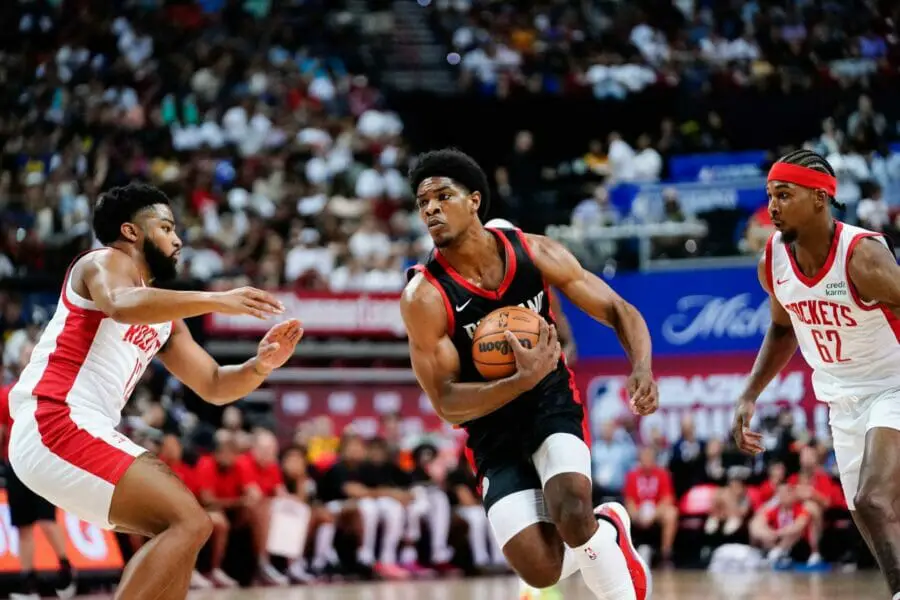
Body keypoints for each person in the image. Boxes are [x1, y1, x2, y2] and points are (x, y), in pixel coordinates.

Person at [6, 183, 303, 600]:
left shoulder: (165, 317)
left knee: (183, 530)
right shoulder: (103, 262)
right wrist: (216, 299)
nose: (178, 239)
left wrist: (260, 365)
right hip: (55, 418)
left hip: (80, 430)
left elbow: (215, 385)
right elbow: (121, 305)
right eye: (166, 227)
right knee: (190, 520)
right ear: (131, 232)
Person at [401, 149, 658, 600]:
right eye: (424, 203)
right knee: (542, 572)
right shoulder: (423, 296)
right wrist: (515, 381)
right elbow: (444, 402)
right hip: (489, 425)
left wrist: (641, 366)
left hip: (548, 400)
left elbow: (617, 308)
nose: (431, 209)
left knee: (573, 512)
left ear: (475, 200)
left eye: (443, 196)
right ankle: (610, 529)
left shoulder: (532, 251)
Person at [732, 149, 900, 596]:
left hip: (893, 384)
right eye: (769, 195)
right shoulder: (772, 259)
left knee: (873, 498)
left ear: (820, 199)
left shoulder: (861, 256)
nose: (772, 206)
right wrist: (750, 394)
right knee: (866, 509)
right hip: (840, 397)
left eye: (784, 194)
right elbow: (783, 328)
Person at [1, 341, 76, 600]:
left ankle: (66, 569)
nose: (28, 357)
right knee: (23, 527)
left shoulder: (50, 390)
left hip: (43, 464)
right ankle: (28, 583)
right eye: (24, 353)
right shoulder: (7, 394)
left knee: (46, 520)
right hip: (15, 466)